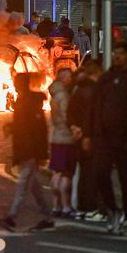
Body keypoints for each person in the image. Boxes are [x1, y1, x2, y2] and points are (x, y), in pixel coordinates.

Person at [84, 42, 127, 235]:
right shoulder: (105, 79)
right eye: (115, 53)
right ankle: (113, 209)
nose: (117, 57)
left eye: (121, 54)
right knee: (100, 172)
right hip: (105, 138)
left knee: (126, 179)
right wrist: (88, 133)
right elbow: (93, 108)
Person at [0, 73, 55, 232]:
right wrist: (12, 127)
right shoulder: (22, 101)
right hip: (25, 149)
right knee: (36, 187)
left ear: (23, 84)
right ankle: (48, 217)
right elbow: (22, 125)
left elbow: (38, 129)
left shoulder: (30, 102)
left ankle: (12, 217)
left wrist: (41, 153)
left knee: (22, 185)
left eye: (17, 82)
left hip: (30, 150)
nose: (15, 85)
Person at [67, 60, 103, 219]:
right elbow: (94, 116)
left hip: (79, 136)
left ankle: (82, 207)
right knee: (92, 173)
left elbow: (70, 113)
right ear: (96, 73)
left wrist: (74, 128)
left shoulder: (77, 89)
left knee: (83, 173)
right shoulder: (94, 91)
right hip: (91, 137)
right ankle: (91, 208)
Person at [48, 68, 77, 216]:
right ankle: (66, 206)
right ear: (63, 78)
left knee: (56, 172)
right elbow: (67, 117)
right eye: (69, 76)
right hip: (66, 138)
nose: (71, 79)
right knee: (66, 173)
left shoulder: (54, 95)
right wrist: (75, 129)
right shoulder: (64, 96)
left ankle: (55, 204)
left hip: (55, 137)